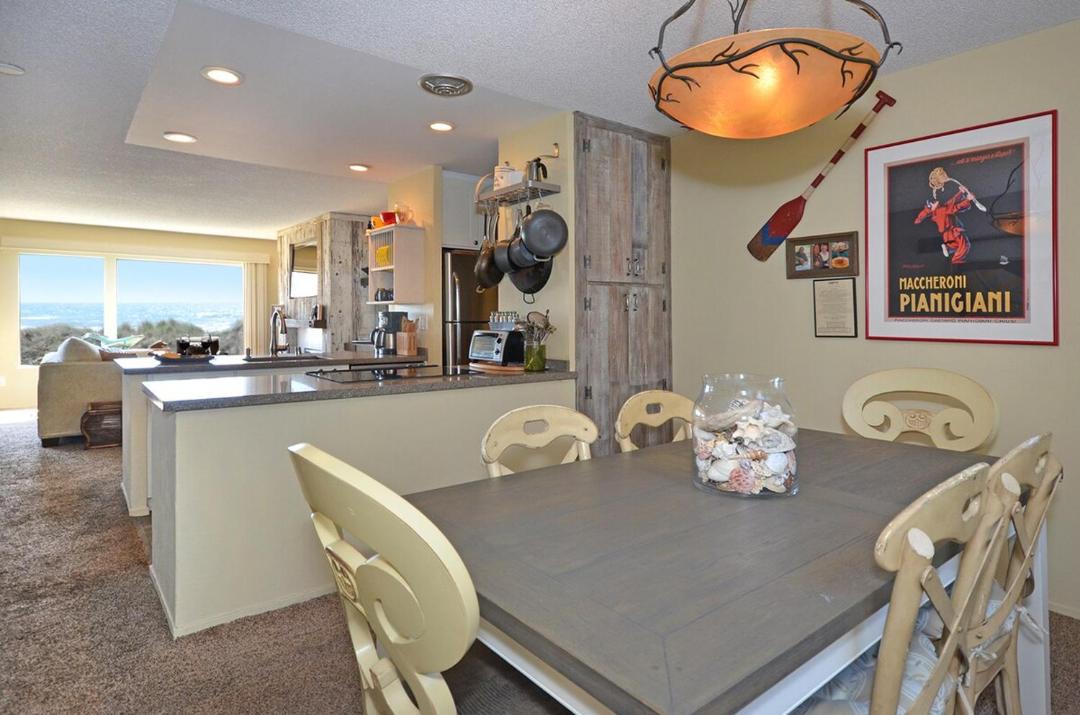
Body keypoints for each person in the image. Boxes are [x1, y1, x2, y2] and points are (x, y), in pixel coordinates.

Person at [914, 167, 975, 265]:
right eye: (932, 203)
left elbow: (952, 201)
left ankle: (948, 248)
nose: (934, 201)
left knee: (955, 246)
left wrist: (962, 193)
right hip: (952, 232)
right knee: (965, 245)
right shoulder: (941, 210)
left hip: (947, 235)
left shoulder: (937, 212)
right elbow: (955, 206)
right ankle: (956, 261)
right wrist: (968, 199)